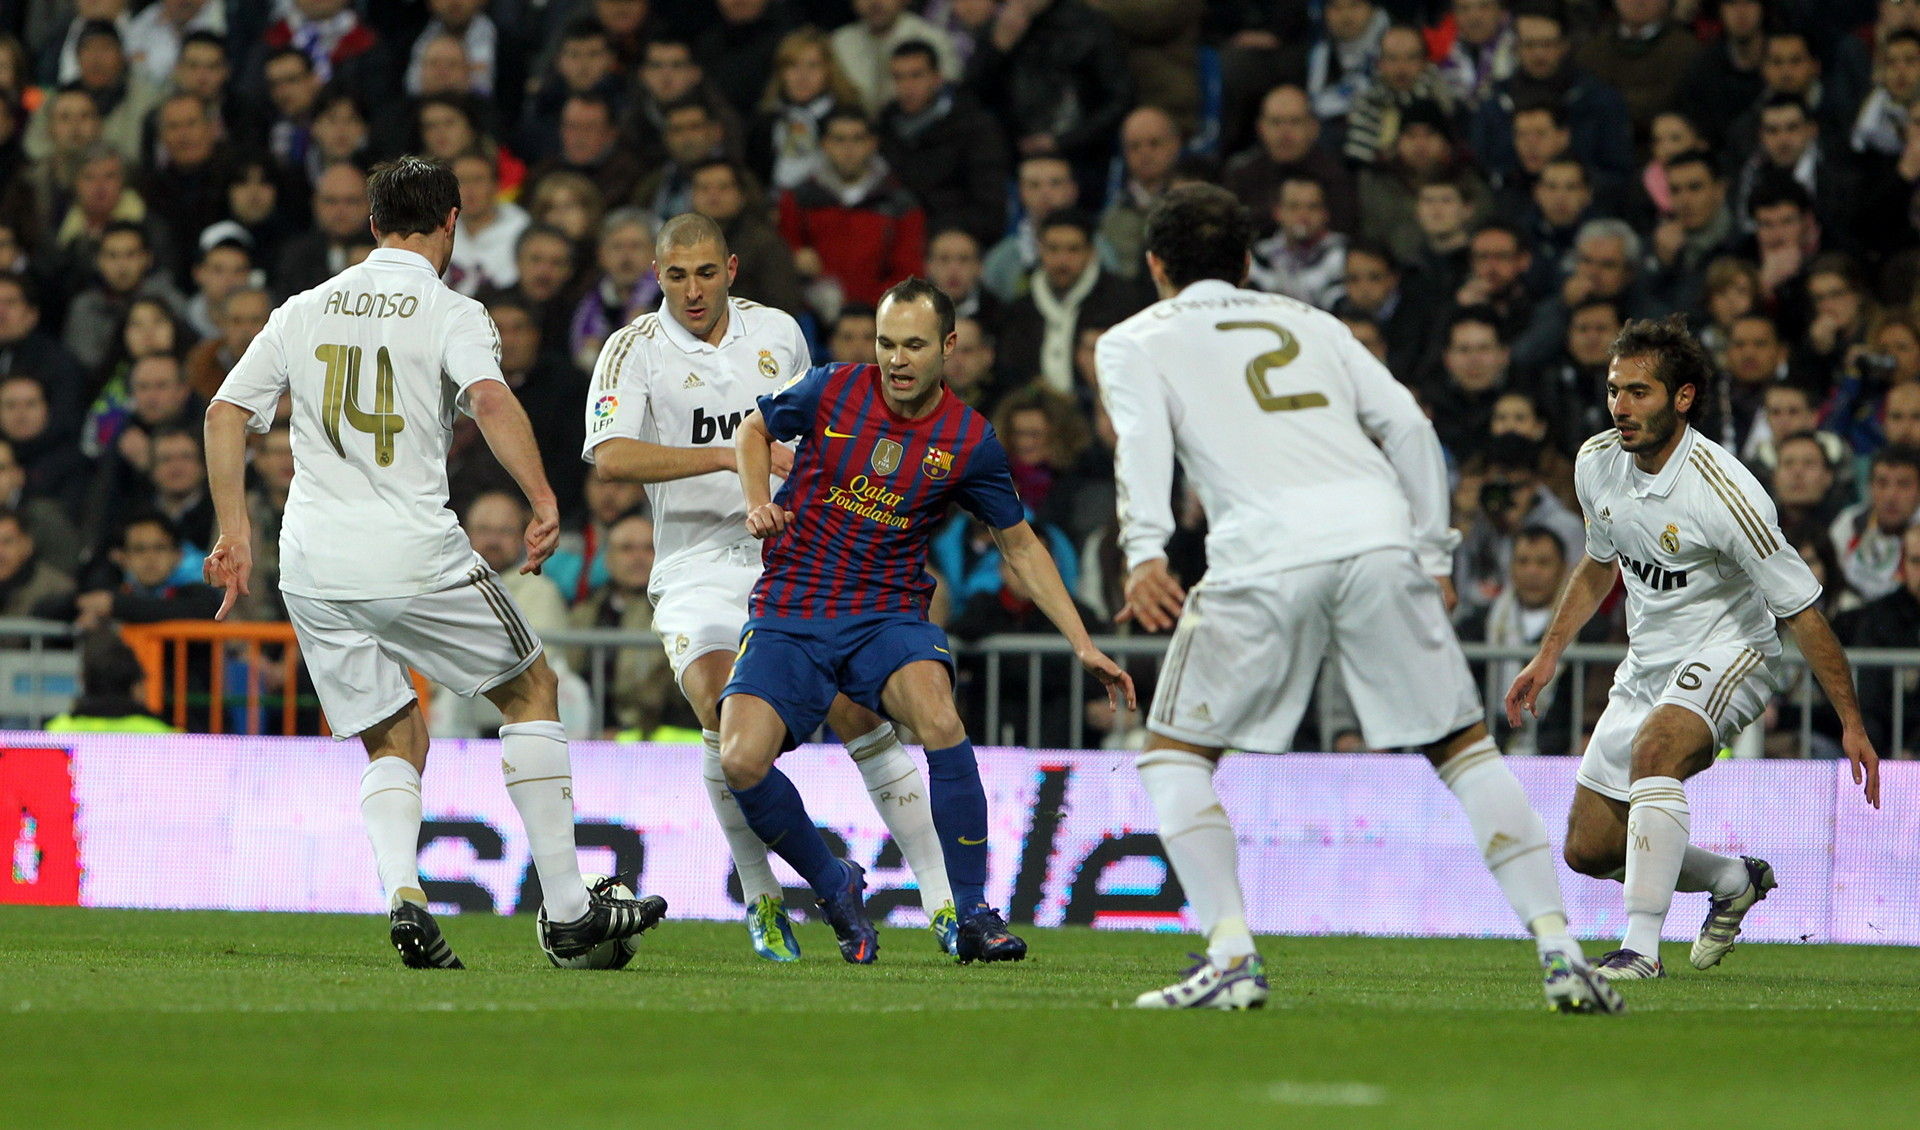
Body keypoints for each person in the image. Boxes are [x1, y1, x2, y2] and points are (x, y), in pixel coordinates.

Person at [1099, 184, 1616, 1014]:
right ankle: (1562, 949)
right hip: (1377, 535)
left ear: (1155, 265)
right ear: (1245, 263)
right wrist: (1431, 549)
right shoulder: (1312, 321)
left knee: (1172, 756)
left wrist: (1144, 555)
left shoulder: (1134, 338)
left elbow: (1144, 446)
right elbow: (1410, 428)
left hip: (1265, 551)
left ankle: (1231, 954)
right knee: (1464, 751)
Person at [202, 156, 666, 971]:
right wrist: (544, 497)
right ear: (450, 221)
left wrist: (236, 531)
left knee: (394, 735)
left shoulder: (302, 309)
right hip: (411, 551)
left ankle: (403, 893)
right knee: (529, 688)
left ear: (373, 222)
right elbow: (489, 399)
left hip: (311, 563)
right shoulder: (454, 309)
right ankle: (566, 913)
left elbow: (225, 411)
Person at [722, 276, 1133, 965]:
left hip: (885, 611)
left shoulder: (970, 441)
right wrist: (757, 499)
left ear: (948, 347)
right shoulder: (830, 387)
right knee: (738, 761)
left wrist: (1082, 644)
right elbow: (754, 429)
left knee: (941, 721)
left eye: (913, 344)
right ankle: (833, 883)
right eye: (886, 343)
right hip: (793, 603)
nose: (897, 359)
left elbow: (1020, 543)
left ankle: (972, 912)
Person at [583, 213, 958, 961]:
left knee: (860, 708)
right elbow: (611, 455)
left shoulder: (779, 333)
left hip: (791, 554)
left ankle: (945, 903)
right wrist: (728, 458)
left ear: (731, 268)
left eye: (706, 273)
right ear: (657, 274)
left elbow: (811, 439)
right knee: (723, 715)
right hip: (696, 566)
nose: (693, 290)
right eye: (676, 275)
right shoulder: (632, 349)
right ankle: (765, 898)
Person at [1506, 315, 1879, 984]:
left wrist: (1852, 721)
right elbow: (1598, 564)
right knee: (1588, 848)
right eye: (1615, 389)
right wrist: (1548, 654)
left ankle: (1640, 951)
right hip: (1646, 664)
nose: (1621, 406)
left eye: (1640, 392)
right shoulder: (1597, 463)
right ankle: (1733, 878)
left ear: (1682, 399)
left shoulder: (1724, 491)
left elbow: (1802, 611)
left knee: (1658, 752)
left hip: (1734, 651)